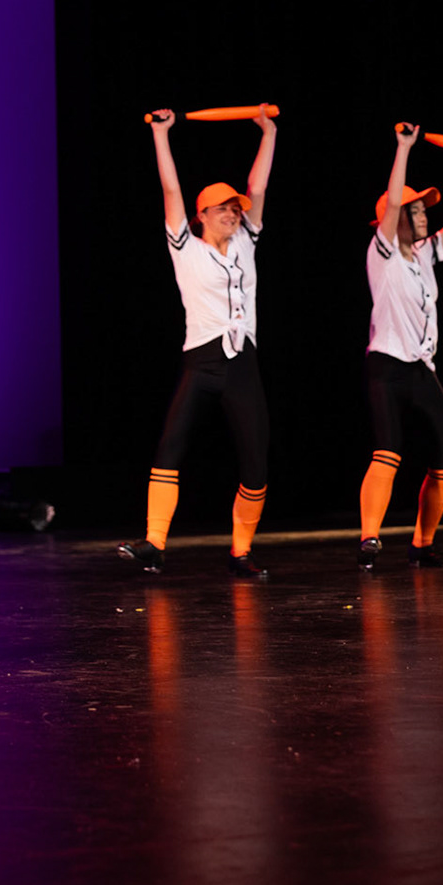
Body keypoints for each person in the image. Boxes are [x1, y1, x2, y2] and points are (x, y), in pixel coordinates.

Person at [116, 106, 277, 578]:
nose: (232, 213)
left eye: (235, 208)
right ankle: (154, 543)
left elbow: (258, 189)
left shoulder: (246, 242)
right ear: (201, 215)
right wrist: (161, 135)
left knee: (256, 460)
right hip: (202, 361)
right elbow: (171, 190)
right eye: (222, 208)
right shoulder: (185, 246)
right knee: (171, 445)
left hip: (241, 363)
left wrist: (267, 133)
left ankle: (241, 551)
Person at [357, 122, 443, 569]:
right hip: (387, 366)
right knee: (388, 451)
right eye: (416, 210)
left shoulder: (425, 252)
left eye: (424, 210)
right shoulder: (382, 252)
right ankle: (369, 538)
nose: (424, 216)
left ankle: (423, 545)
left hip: (421, 368)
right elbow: (392, 203)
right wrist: (403, 147)